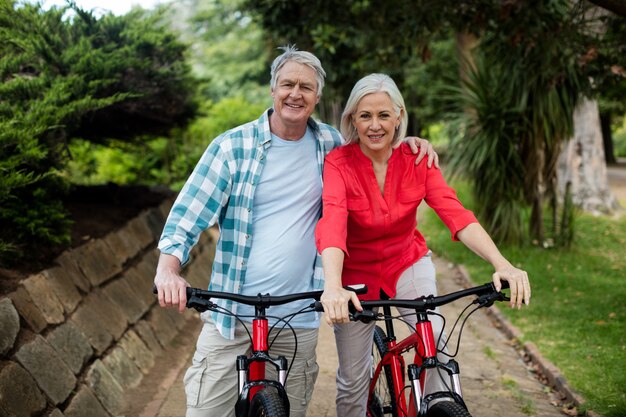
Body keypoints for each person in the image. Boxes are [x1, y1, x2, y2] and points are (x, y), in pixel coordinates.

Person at [153, 47, 438, 417]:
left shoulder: (331, 144)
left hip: (298, 316)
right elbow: (188, 214)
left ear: (317, 97)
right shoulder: (232, 147)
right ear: (273, 90)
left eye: (306, 87)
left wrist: (410, 145)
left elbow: (376, 144)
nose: (295, 93)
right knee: (206, 411)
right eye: (287, 84)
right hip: (234, 316)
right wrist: (168, 268)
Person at [315, 73, 532, 417]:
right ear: (352, 119)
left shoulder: (418, 158)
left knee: (436, 347)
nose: (375, 125)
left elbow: (455, 214)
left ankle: (435, 407)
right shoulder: (338, 163)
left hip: (406, 261)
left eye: (384, 115)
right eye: (365, 116)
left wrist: (501, 263)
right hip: (355, 274)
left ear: (399, 115)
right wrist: (332, 287)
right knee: (353, 382)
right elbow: (333, 224)